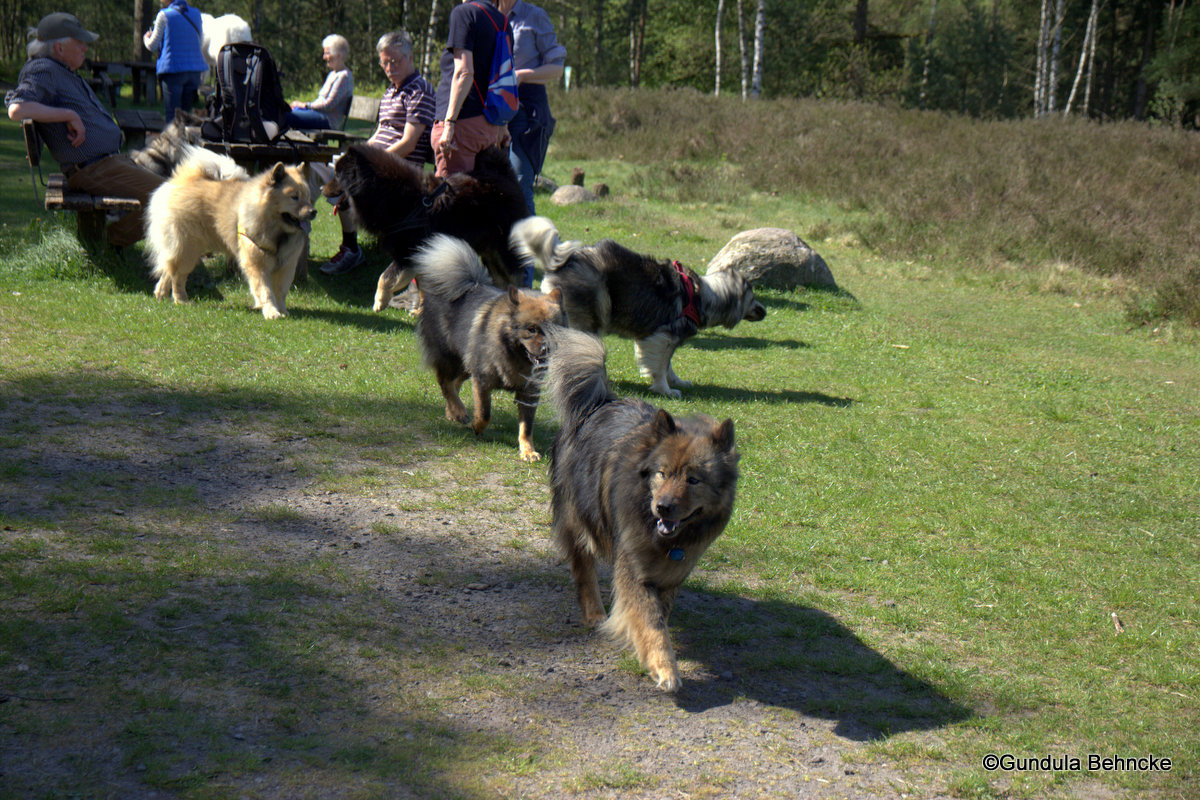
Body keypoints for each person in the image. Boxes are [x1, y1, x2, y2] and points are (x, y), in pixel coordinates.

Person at [7, 12, 165, 248]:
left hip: (107, 163)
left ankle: (108, 245)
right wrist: (69, 115)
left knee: (176, 188)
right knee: (169, 199)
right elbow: (17, 109)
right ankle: (106, 245)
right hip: (93, 169)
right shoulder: (42, 69)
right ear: (59, 48)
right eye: (79, 42)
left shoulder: (59, 69)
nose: (85, 48)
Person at [320, 30, 435, 276]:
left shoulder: (419, 90)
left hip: (397, 172)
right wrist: (355, 156)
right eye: (385, 62)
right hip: (377, 166)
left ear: (411, 57)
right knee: (320, 170)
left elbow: (408, 143)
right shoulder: (391, 90)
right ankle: (342, 246)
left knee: (337, 181)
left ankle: (352, 250)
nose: (389, 67)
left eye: (395, 61)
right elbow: (379, 134)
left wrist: (367, 161)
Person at [431, 0, 517, 179]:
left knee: (451, 195)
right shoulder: (503, 22)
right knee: (478, 196)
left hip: (461, 125)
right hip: (488, 127)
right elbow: (504, 77)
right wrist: (503, 126)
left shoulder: (464, 13)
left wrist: (449, 124)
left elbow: (464, 72)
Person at [508, 0, 565, 217]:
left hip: (526, 108)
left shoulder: (534, 16)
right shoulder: (485, 12)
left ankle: (532, 249)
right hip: (490, 108)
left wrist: (523, 75)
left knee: (519, 183)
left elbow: (557, 69)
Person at [143, 0, 208, 121]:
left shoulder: (164, 15)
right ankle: (183, 139)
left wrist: (146, 38)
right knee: (184, 116)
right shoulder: (196, 14)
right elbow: (200, 42)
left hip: (173, 70)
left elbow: (152, 45)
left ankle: (173, 140)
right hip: (194, 71)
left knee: (172, 117)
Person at [286, 34, 354, 130]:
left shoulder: (344, 77)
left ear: (338, 55)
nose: (324, 57)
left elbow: (329, 105)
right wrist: (301, 107)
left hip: (328, 120)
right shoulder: (332, 74)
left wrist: (305, 105)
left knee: (285, 116)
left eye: (327, 53)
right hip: (318, 114)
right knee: (285, 111)